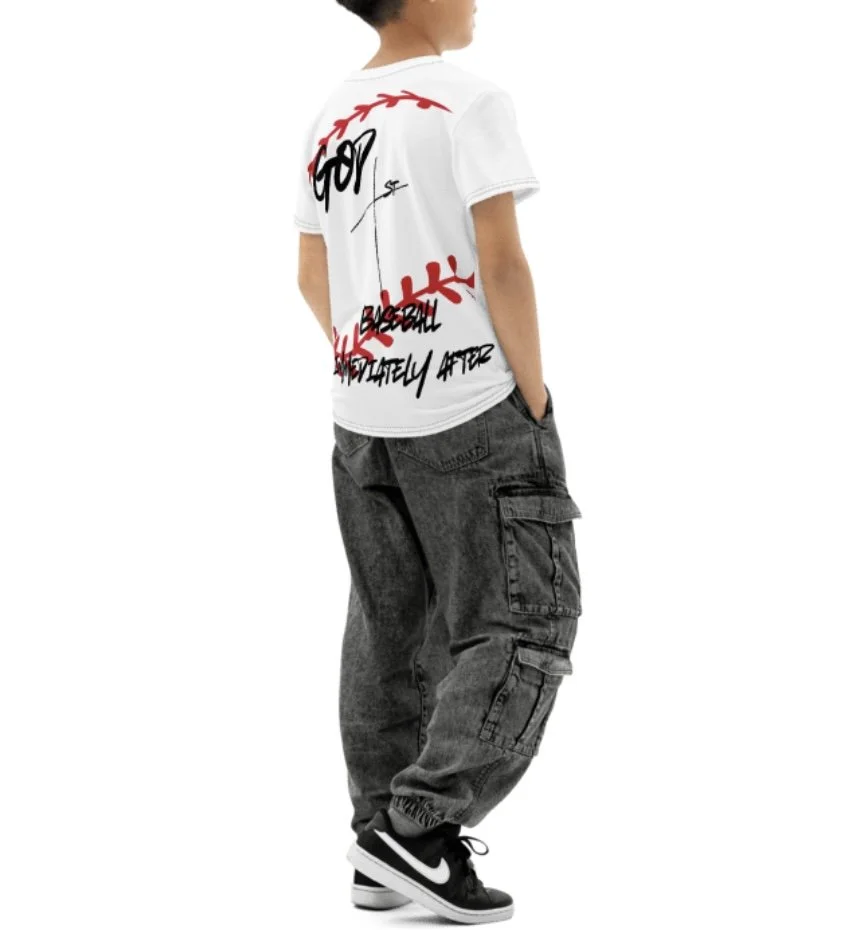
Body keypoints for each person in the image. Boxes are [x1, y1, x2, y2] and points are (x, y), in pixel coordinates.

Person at [294, 0, 582, 922]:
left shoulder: (331, 115)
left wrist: (374, 363)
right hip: (470, 406)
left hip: (362, 410)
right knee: (526, 623)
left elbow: (311, 274)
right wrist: (529, 398)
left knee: (390, 628)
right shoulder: (468, 101)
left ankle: (378, 844)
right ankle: (416, 833)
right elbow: (502, 264)